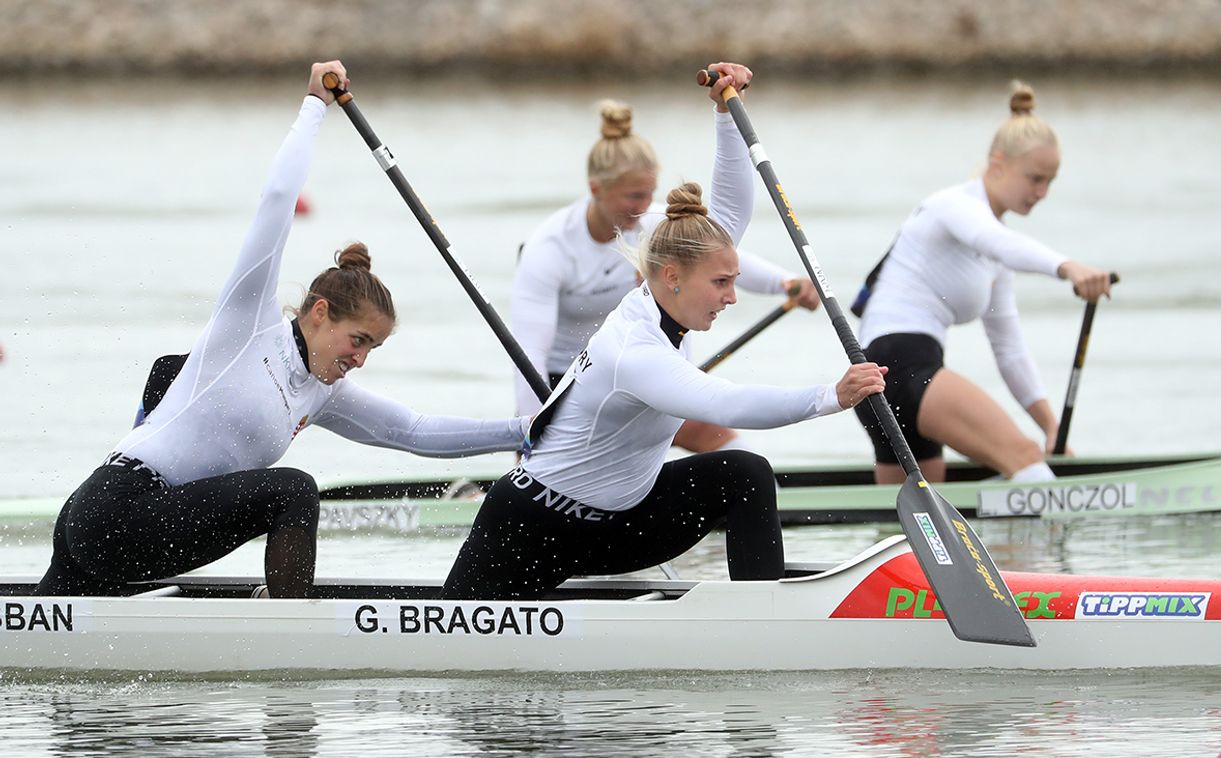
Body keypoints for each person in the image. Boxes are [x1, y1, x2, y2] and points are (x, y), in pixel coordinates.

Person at [36, 61, 527, 599]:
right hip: (117, 509)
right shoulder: (249, 324)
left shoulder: (324, 394)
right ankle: (293, 626)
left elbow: (415, 431)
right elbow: (276, 203)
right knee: (294, 491)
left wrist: (525, 430)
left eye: (374, 348)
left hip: (128, 520)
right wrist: (314, 106)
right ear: (319, 312)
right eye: (358, 340)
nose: (361, 358)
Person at [442, 63, 887, 601]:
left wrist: (726, 116)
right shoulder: (636, 349)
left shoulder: (669, 296)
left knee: (745, 474)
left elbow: (726, 215)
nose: (731, 296)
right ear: (672, 277)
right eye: (722, 283)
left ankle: (764, 614)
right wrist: (830, 396)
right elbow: (728, 404)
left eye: (733, 280)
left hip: (618, 520)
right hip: (534, 528)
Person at [510, 91, 821, 453]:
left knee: (719, 438)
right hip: (567, 384)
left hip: (647, 368)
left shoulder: (655, 224)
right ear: (595, 188)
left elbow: (712, 257)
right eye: (632, 196)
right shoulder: (550, 248)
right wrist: (532, 428)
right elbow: (530, 350)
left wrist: (784, 283)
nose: (643, 206)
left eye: (649, 194)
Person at [853, 80, 1114, 485]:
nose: (1042, 192)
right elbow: (995, 240)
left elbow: (1009, 350)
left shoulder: (996, 260)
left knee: (918, 532)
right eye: (1034, 178)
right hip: (900, 366)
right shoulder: (953, 206)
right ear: (998, 165)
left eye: (1050, 181)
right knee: (1026, 463)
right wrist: (1069, 268)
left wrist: (1050, 428)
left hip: (887, 383)